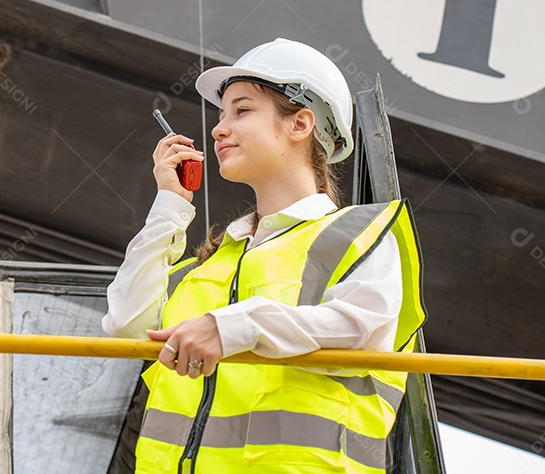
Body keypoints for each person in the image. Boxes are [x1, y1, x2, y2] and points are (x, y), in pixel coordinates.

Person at [102, 38, 425, 473]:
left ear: (300, 124)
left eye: (242, 110)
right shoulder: (208, 267)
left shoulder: (359, 235)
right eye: (221, 115)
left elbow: (359, 329)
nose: (218, 129)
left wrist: (237, 326)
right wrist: (169, 205)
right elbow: (126, 329)